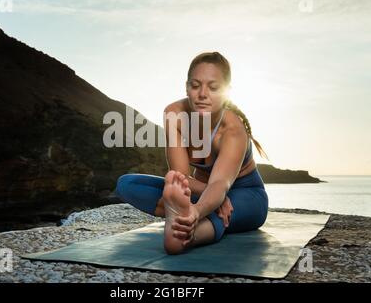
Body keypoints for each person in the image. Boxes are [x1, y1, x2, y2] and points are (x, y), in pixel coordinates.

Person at [115, 51, 269, 255]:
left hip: (245, 195)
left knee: (220, 214)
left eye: (213, 87)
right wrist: (211, 199)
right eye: (195, 85)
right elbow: (181, 177)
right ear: (187, 87)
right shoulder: (175, 114)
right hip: (199, 192)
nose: (202, 94)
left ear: (226, 91)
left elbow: (219, 184)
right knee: (127, 184)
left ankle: (186, 235)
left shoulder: (233, 130)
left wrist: (198, 210)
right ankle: (184, 211)